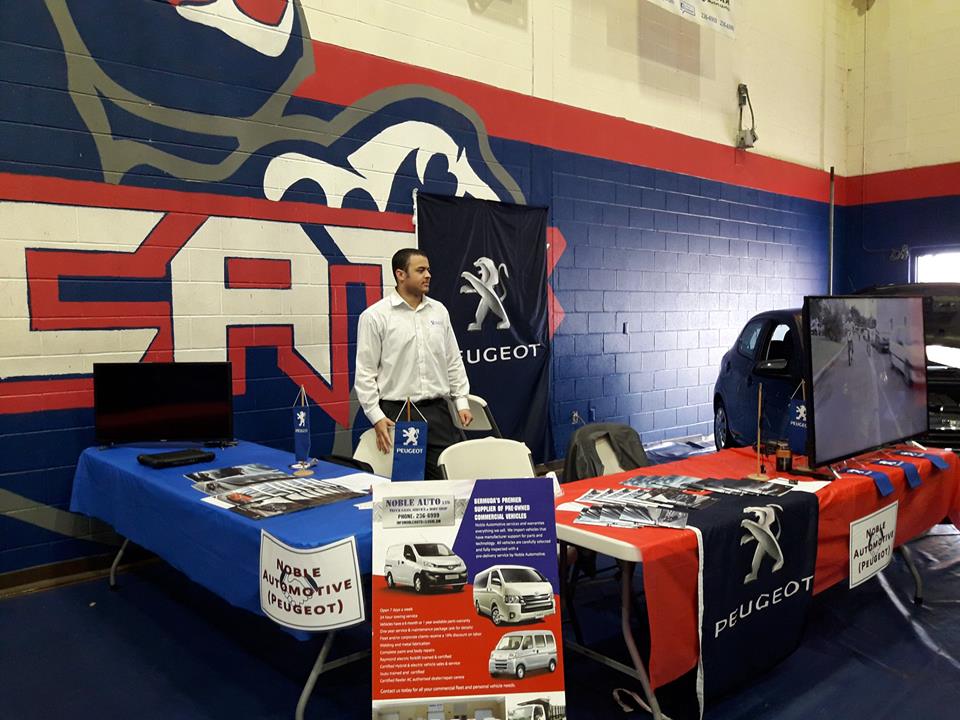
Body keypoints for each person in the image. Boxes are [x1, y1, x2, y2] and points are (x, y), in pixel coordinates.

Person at [354, 248, 473, 479]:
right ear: (401, 275)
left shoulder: (439, 311)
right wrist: (376, 416)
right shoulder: (375, 316)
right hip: (397, 414)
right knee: (406, 485)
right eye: (420, 270)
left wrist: (461, 401)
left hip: (438, 413)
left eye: (428, 269)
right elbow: (365, 372)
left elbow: (452, 360)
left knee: (450, 482)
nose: (428, 275)